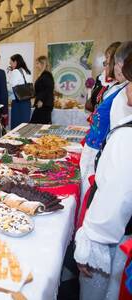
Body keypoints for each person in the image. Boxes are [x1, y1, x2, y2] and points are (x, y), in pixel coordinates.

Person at [74, 52, 132, 300]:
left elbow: (117, 195)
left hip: (116, 236)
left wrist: (91, 243)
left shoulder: (126, 138)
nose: (127, 90)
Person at [78, 41, 131, 213]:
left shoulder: (124, 94)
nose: (111, 66)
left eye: (112, 62)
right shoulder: (118, 88)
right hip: (96, 149)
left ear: (122, 64)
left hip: (102, 153)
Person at [85, 42, 121, 112]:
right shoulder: (100, 78)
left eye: (107, 59)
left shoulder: (122, 85)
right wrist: (89, 90)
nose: (105, 62)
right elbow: (90, 105)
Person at [7, 54, 33, 129]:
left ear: (15, 62)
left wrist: (7, 83)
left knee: (16, 127)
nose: (11, 65)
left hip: (18, 102)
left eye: (11, 63)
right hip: (27, 102)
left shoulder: (15, 72)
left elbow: (10, 88)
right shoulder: (27, 71)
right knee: (24, 127)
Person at [30, 55, 55, 124]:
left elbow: (48, 89)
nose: (36, 66)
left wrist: (41, 100)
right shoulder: (44, 75)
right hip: (43, 104)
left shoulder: (46, 75)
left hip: (44, 105)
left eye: (37, 63)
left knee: (36, 125)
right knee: (38, 125)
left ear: (42, 64)